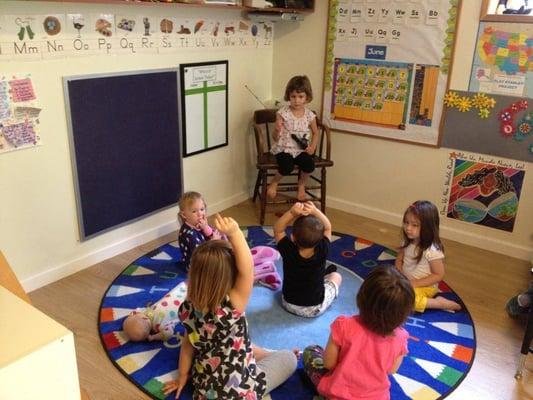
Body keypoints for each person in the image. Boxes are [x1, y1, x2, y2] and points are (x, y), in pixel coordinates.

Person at [163, 214, 297, 399]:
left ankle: (259, 354)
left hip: (204, 387)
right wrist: (234, 233)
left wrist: (183, 376)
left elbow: (187, 345)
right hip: (242, 390)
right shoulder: (232, 305)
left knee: (240, 342)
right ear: (230, 276)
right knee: (288, 358)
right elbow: (247, 268)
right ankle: (263, 358)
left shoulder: (187, 308)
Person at [302, 265, 415, 400]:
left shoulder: (344, 325)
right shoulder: (401, 337)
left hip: (337, 393)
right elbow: (391, 370)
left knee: (311, 350)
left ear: (361, 297)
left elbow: (328, 364)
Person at [274, 201, 342, 318]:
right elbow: (328, 228)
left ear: (292, 237)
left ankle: (324, 276)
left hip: (288, 303)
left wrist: (292, 213)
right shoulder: (323, 248)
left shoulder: (287, 250)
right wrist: (316, 211)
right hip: (314, 308)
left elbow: (278, 229)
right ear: (321, 238)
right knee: (336, 276)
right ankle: (326, 277)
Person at [395, 200, 461, 312]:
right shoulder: (407, 242)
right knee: (386, 289)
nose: (408, 228)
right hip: (406, 281)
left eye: (414, 225)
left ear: (428, 227)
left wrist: (414, 284)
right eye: (406, 222)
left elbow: (438, 274)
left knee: (405, 302)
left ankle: (439, 303)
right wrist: (400, 273)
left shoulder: (432, 250)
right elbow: (399, 260)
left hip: (425, 286)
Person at [267, 75, 319, 201]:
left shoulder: (309, 115)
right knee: (286, 166)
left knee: (309, 165)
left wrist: (312, 147)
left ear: (307, 97)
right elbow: (275, 138)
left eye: (301, 97)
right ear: (288, 96)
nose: (297, 100)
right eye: (293, 97)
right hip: (284, 149)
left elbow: (316, 133)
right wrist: (277, 129)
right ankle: (274, 182)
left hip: (301, 149)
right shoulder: (282, 113)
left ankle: (301, 184)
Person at [123, 281, 187, 342]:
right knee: (181, 291)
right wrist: (154, 337)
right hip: (176, 298)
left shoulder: (159, 327)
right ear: (144, 318)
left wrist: (154, 337)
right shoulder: (148, 314)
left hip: (183, 304)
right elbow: (169, 333)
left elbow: (168, 333)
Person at [177, 191, 222, 269]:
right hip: (196, 266)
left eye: (202, 209)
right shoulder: (189, 234)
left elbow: (210, 234)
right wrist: (213, 242)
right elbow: (200, 253)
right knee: (221, 264)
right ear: (184, 215)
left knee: (224, 239)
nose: (200, 214)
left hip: (206, 254)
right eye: (194, 211)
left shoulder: (199, 224)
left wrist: (205, 227)